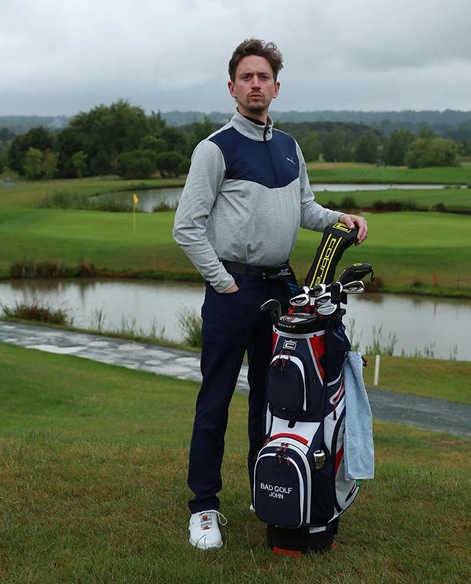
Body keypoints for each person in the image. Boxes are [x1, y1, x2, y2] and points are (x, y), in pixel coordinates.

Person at [172, 38, 368, 550]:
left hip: (281, 292)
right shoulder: (215, 148)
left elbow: (303, 208)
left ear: (276, 87)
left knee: (275, 400)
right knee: (215, 400)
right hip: (233, 291)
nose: (256, 84)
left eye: (264, 77)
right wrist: (224, 282)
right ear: (232, 87)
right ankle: (205, 507)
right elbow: (187, 227)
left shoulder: (288, 147)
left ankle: (271, 491)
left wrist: (338, 218)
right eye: (247, 77)